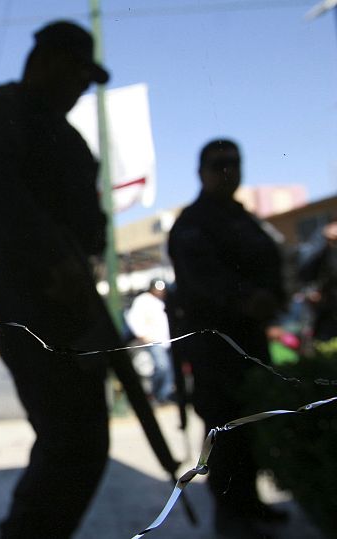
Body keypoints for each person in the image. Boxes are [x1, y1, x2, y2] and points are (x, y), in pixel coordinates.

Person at [0, 21, 117, 538]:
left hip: (70, 298)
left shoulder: (69, 138)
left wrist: (80, 250)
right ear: (49, 61)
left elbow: (92, 227)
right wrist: (51, 257)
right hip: (27, 291)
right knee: (71, 439)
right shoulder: (5, 107)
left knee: (80, 438)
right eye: (77, 74)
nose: (81, 89)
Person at [168, 139, 287, 538]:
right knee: (225, 431)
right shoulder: (194, 222)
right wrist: (246, 298)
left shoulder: (243, 219)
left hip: (251, 342)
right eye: (219, 163)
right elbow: (200, 279)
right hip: (214, 347)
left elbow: (272, 263)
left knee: (251, 426)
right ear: (201, 171)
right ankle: (231, 517)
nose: (229, 170)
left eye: (235, 163)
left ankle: (250, 505)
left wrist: (270, 298)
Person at [126, 278, 174, 403]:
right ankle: (158, 395)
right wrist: (142, 335)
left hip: (167, 341)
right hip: (154, 341)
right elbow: (133, 318)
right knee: (161, 367)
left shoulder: (163, 300)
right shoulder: (143, 300)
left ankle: (165, 396)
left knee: (169, 369)